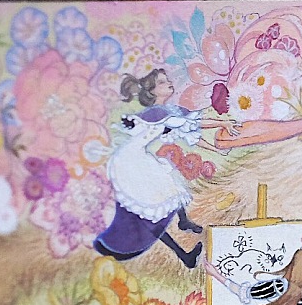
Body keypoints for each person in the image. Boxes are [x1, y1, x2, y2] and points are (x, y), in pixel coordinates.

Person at [93, 69, 231, 268]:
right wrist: (222, 122)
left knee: (167, 192)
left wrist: (218, 149)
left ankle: (183, 227)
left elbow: (191, 134)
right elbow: (196, 123)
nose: (168, 83)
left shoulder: (172, 110)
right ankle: (183, 246)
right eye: (162, 82)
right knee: (157, 203)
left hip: (139, 158)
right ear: (152, 91)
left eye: (167, 80)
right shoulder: (157, 113)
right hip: (130, 160)